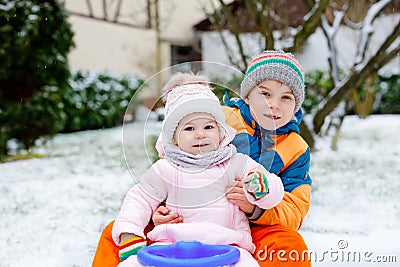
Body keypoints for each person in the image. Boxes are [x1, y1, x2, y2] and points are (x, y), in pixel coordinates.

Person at [92, 50, 312, 267]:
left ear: (296, 105)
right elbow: (168, 164)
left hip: (252, 229)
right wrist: (159, 210)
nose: (274, 104)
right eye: (265, 93)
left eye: (286, 98)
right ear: (247, 94)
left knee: (289, 246)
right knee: (115, 234)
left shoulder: (296, 149)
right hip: (181, 221)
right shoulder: (215, 117)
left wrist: (256, 209)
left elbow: (294, 209)